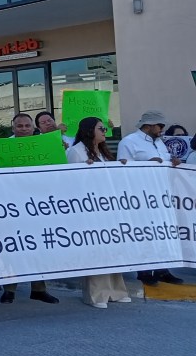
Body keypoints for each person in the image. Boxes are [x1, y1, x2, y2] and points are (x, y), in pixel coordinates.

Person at [66, 118, 132, 309]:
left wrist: (120, 166)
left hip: (108, 207)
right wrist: (85, 170)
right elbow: (71, 182)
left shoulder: (103, 151)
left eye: (104, 128)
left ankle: (117, 291)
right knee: (97, 251)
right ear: (89, 131)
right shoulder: (76, 151)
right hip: (89, 208)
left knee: (113, 249)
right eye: (101, 128)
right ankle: (96, 294)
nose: (105, 131)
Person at [117, 110, 183, 285]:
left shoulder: (159, 143)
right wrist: (146, 165)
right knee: (144, 233)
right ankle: (144, 271)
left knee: (162, 233)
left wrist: (173, 161)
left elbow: (165, 161)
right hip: (141, 197)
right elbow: (122, 170)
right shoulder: (129, 142)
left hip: (162, 195)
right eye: (160, 125)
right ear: (148, 125)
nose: (162, 129)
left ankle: (162, 269)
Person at [0, 114, 59, 305]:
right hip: (13, 204)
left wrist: (61, 150)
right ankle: (9, 289)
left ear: (33, 127)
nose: (24, 129)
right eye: (20, 126)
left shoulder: (45, 144)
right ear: (13, 128)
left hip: (40, 203)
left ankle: (39, 289)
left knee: (40, 246)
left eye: (27, 125)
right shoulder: (5, 147)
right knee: (14, 246)